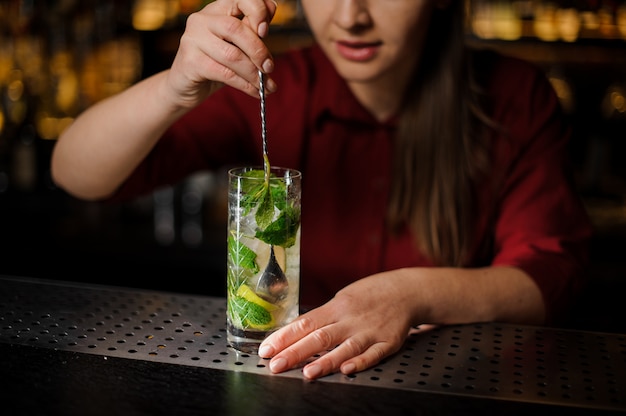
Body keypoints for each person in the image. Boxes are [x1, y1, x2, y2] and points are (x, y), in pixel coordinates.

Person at [51, 0, 593, 380]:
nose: (351, 17)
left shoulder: (516, 97)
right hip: (292, 382)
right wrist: (174, 87)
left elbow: (551, 278)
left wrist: (413, 294)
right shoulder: (272, 87)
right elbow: (76, 173)